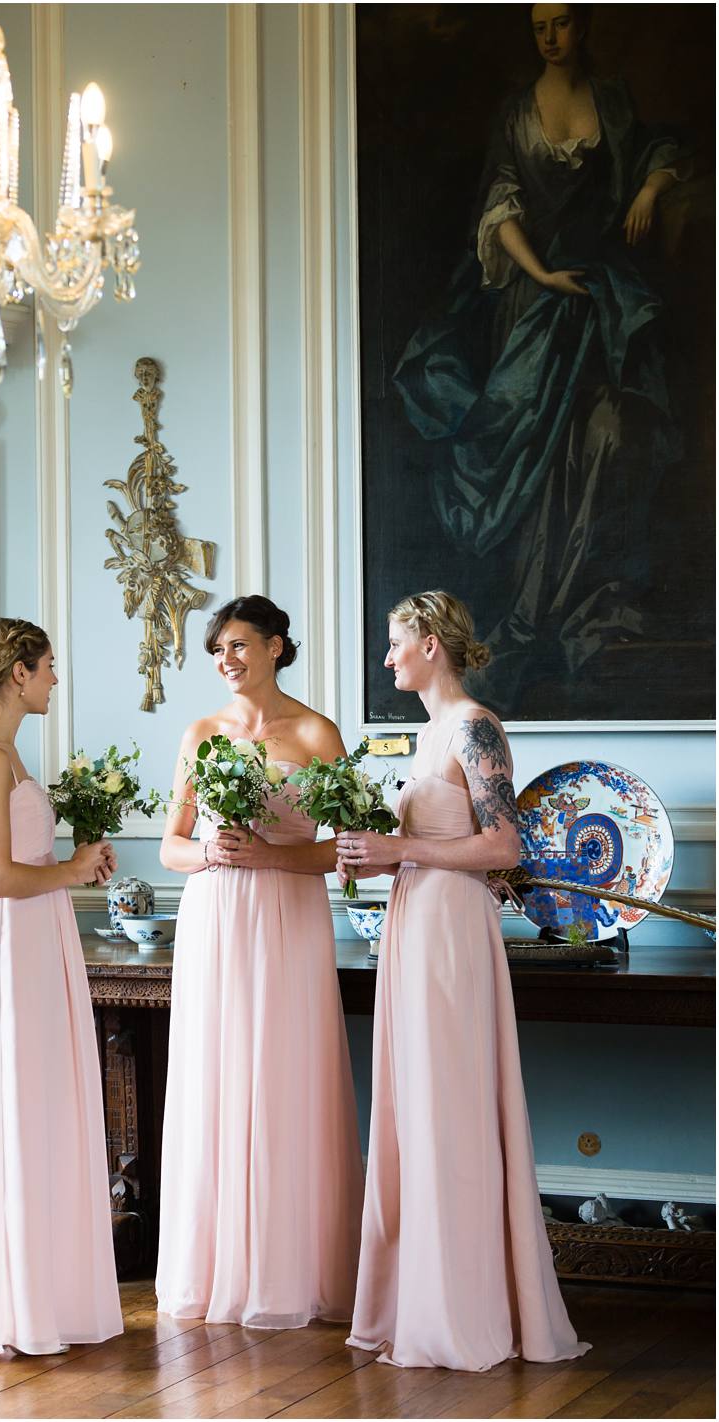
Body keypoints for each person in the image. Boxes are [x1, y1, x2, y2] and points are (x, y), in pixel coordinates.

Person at [395, 3, 688, 707]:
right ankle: (532, 614)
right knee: (536, 447)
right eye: (539, 26)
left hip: (601, 295)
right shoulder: (517, 111)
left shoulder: (611, 96)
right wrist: (543, 276)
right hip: (535, 303)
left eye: (560, 23)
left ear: (582, 27)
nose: (550, 36)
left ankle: (582, 599)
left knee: (600, 438)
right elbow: (500, 206)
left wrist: (650, 188)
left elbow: (655, 151)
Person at [338, 591, 590, 1372]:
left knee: (448, 1107)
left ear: (431, 645)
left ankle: (464, 1311)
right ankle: (419, 1298)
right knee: (414, 1107)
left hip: (451, 931)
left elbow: (502, 847)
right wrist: (387, 852)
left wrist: (398, 851)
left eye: (395, 642)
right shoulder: (426, 735)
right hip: (418, 920)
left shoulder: (476, 725)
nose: (387, 658)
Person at [156, 595, 364, 1328]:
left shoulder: (316, 733)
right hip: (215, 918)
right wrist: (211, 851)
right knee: (216, 1077)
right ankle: (214, 1271)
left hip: (288, 918)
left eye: (240, 645)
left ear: (277, 647)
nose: (227, 661)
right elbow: (170, 845)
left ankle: (293, 1272)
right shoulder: (201, 733)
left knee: (285, 1075)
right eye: (218, 650)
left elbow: (352, 849)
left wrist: (275, 854)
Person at [0, 618, 122, 1355]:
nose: (54, 678)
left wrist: (75, 865)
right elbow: (0, 878)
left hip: (36, 942)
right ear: (17, 671)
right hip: (13, 945)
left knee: (39, 1106)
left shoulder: (6, 751)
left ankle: (41, 1290)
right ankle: (14, 1306)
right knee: (19, 1106)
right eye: (48, 665)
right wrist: (72, 871)